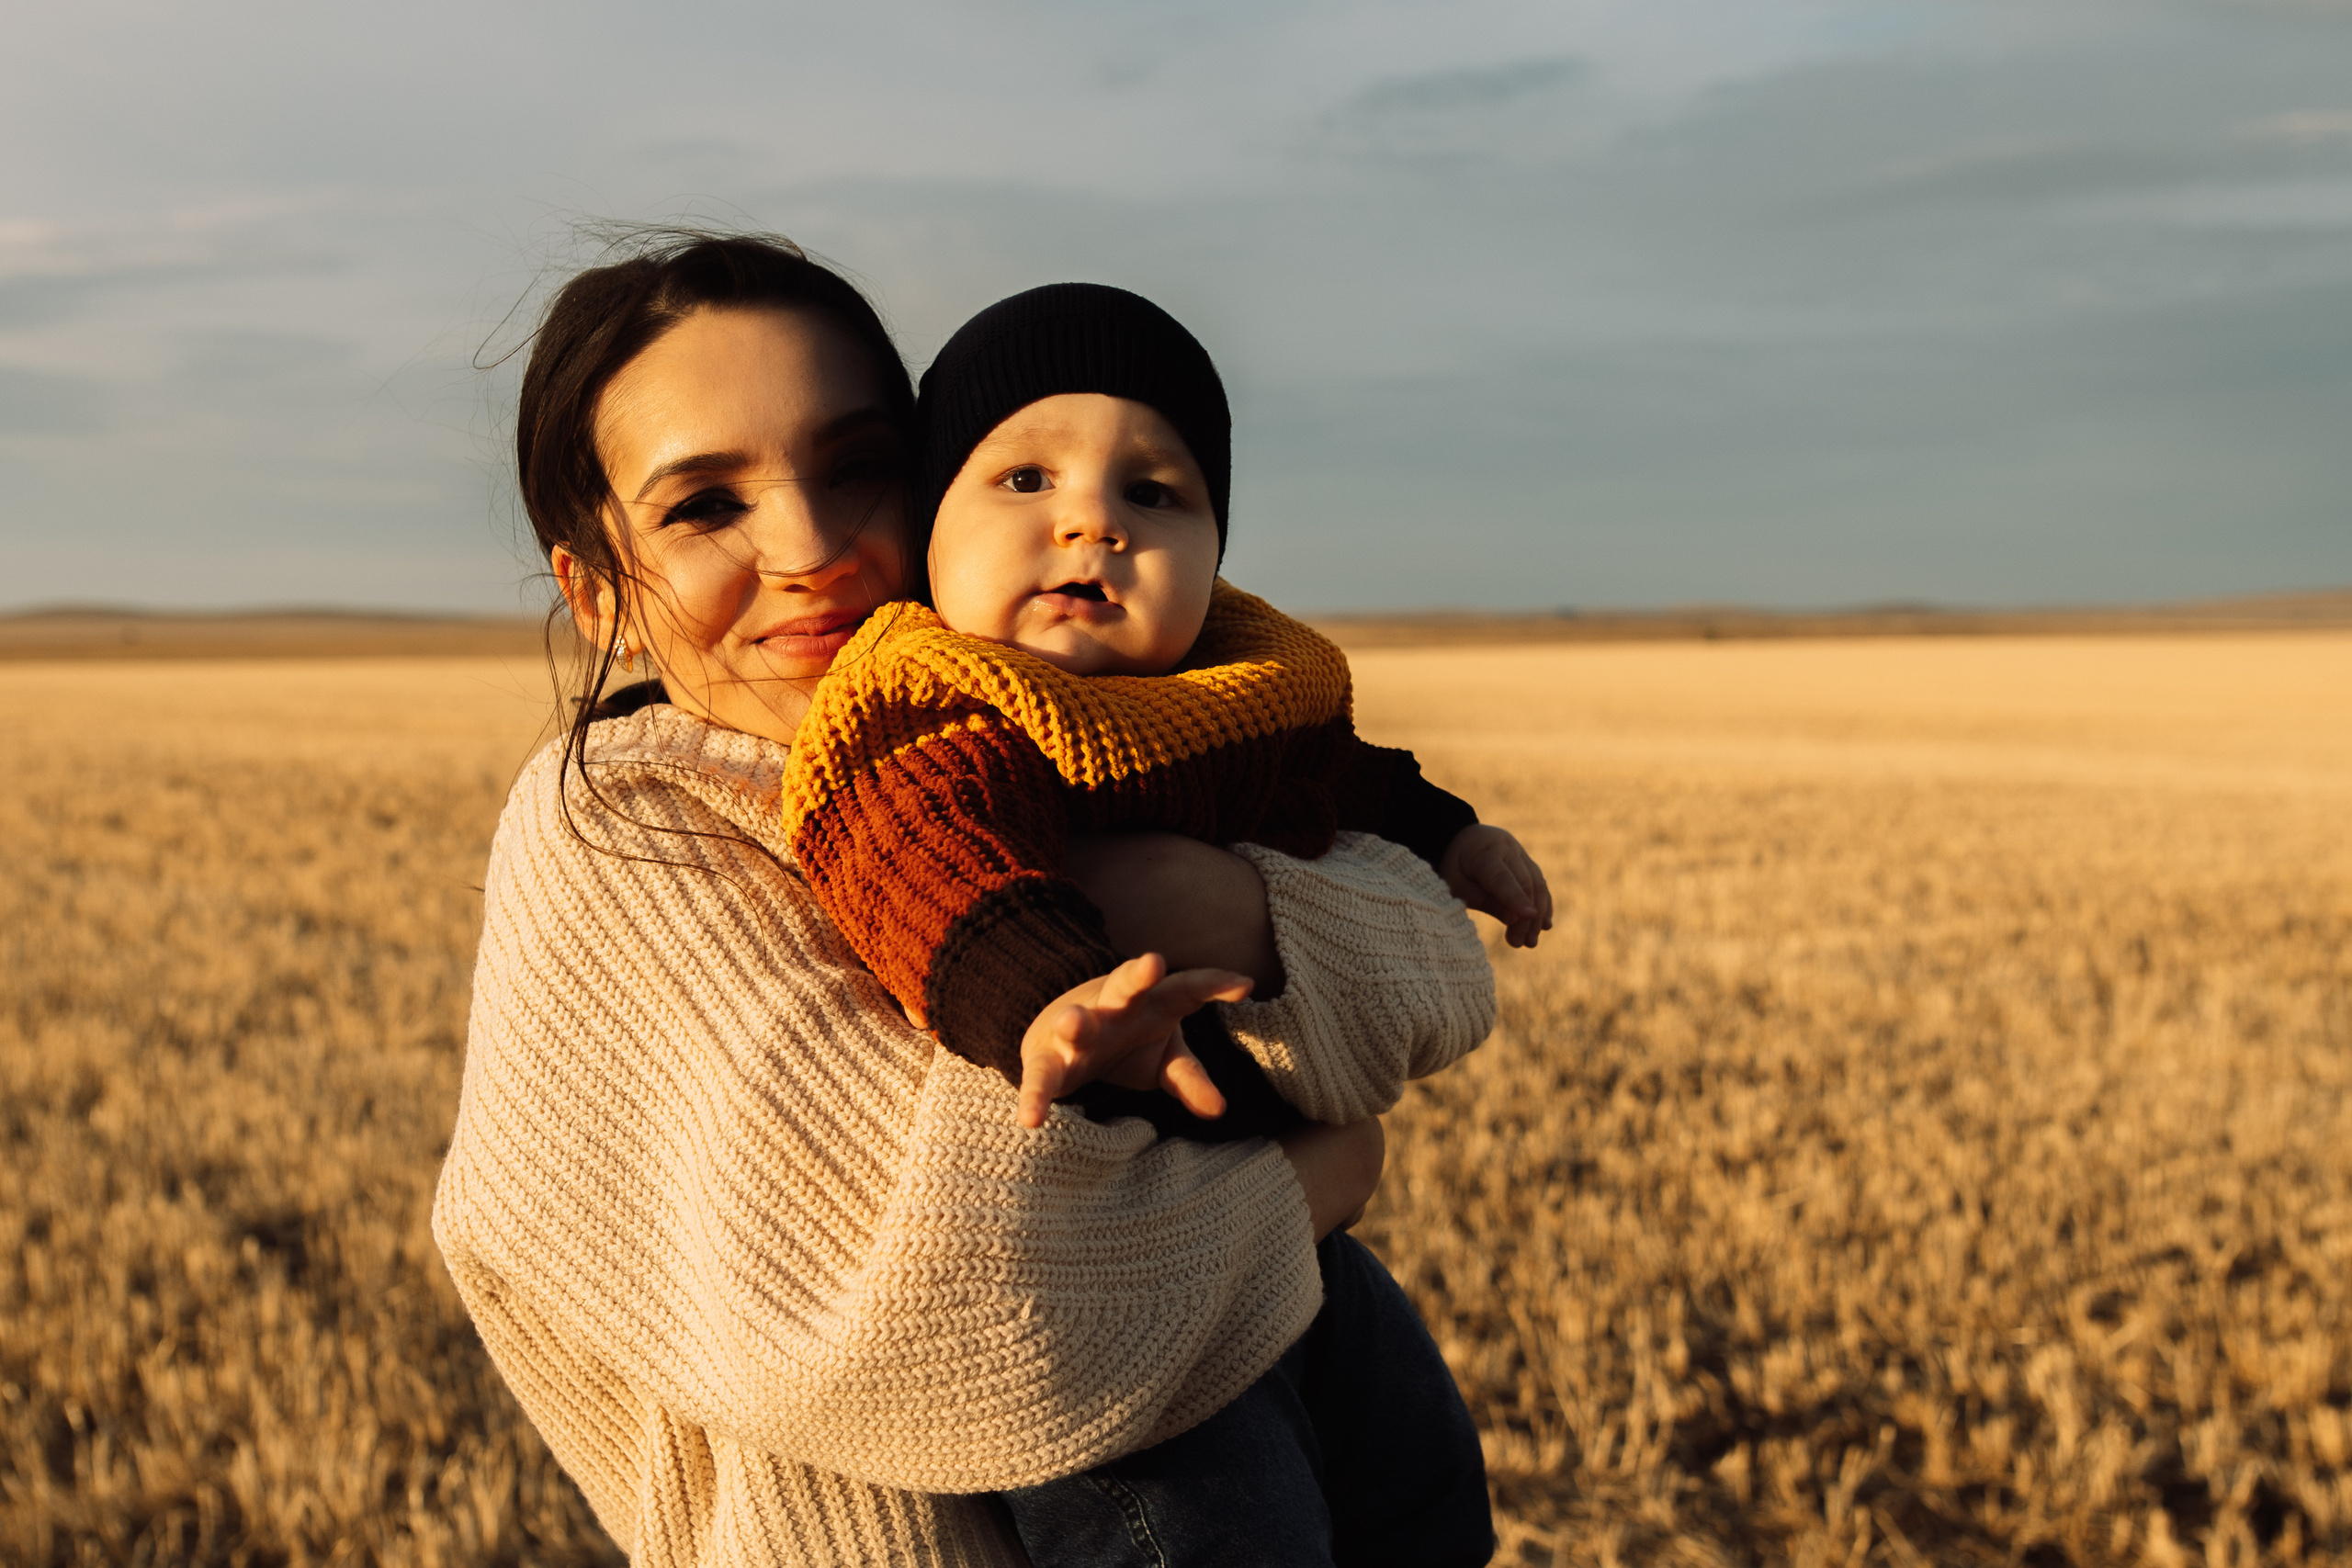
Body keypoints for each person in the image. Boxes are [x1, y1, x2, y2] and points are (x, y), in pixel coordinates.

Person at [431, 231, 1498, 1568]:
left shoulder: (1053, 729)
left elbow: (1442, 970)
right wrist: (1312, 1176)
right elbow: (971, 1321)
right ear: (597, 596)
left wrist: (1203, 897)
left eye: (860, 468)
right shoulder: (624, 836)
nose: (811, 545)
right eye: (706, 505)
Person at [778, 282, 1532, 1567]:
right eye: (1023, 479)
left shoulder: (1239, 693)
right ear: (926, 531)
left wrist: (1458, 839)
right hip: (1117, 1299)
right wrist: (1048, 996)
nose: (1092, 520)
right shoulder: (933, 704)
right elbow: (930, 866)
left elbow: (1351, 780)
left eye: (1156, 493)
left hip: (1299, 1250)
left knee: (1425, 1490)